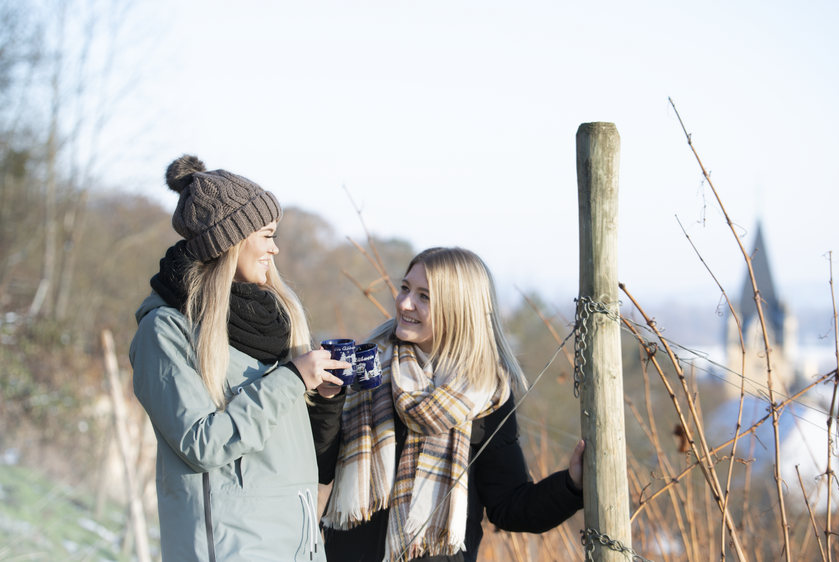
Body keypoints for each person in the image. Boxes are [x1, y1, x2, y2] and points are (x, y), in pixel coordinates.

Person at [129, 155, 348, 562]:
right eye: (266, 235)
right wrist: (292, 380)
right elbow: (201, 443)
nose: (275, 247)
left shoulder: (278, 319)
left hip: (300, 549)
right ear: (230, 241)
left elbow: (310, 460)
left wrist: (327, 398)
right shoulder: (165, 331)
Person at [319, 247, 585, 562]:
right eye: (405, 288)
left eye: (424, 296)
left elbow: (509, 507)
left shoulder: (486, 392)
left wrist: (570, 486)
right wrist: (326, 400)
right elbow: (319, 467)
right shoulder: (367, 366)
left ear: (459, 308)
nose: (405, 303)